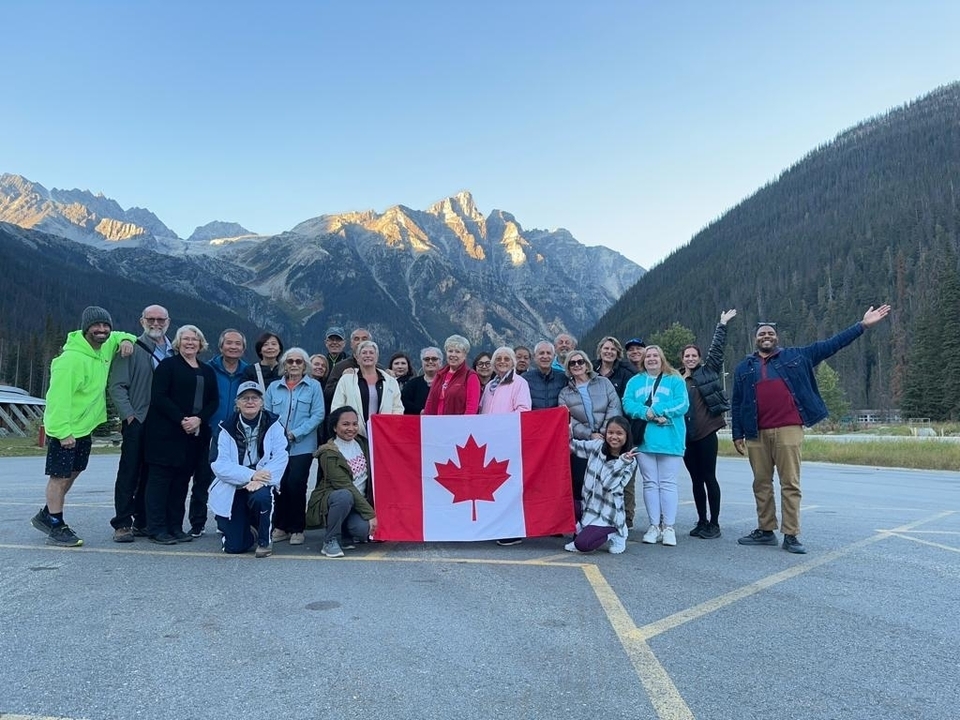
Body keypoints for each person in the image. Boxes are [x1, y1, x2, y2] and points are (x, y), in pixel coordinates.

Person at [732, 305, 891, 554]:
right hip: (756, 433)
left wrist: (862, 325)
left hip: (788, 429)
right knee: (761, 483)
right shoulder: (744, 368)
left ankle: (791, 535)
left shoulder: (798, 356)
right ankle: (765, 530)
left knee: (790, 484)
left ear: (777, 338)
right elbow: (738, 402)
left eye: (770, 333)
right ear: (756, 338)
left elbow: (833, 344)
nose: (766, 336)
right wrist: (737, 433)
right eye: (762, 333)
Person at [31, 306, 135, 547]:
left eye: (105, 325)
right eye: (96, 326)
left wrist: (127, 340)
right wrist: (62, 432)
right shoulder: (70, 360)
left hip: (84, 429)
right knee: (59, 477)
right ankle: (55, 525)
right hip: (66, 430)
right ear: (85, 328)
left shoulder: (105, 346)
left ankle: (47, 514)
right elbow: (57, 400)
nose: (102, 330)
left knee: (75, 471)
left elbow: (122, 335)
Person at [143, 325, 219, 545]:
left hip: (194, 436)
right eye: (185, 339)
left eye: (194, 339)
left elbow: (213, 400)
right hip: (165, 435)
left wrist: (199, 419)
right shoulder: (168, 366)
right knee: (160, 483)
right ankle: (156, 528)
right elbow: (159, 397)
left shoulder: (207, 370)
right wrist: (182, 419)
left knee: (180, 484)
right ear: (178, 342)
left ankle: (175, 526)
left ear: (201, 343)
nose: (190, 343)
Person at [107, 304, 173, 542]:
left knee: (152, 473)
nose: (156, 323)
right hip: (139, 419)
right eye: (151, 319)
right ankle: (122, 523)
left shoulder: (174, 351)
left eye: (160, 319)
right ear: (141, 321)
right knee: (129, 472)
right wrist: (129, 416)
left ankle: (144, 520)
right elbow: (117, 386)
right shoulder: (130, 348)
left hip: (164, 424)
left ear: (168, 322)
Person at [209, 381, 288, 557]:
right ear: (237, 403)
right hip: (234, 484)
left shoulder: (274, 424)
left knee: (262, 497)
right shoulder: (225, 428)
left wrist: (261, 480)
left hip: (262, 482)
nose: (250, 402)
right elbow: (218, 464)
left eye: (254, 398)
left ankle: (264, 541)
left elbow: (281, 456)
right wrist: (252, 476)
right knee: (233, 547)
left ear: (261, 402)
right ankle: (246, 530)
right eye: (245, 398)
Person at [623, 345, 689, 547]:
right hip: (644, 440)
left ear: (662, 358)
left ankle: (668, 527)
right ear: (643, 360)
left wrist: (658, 409)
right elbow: (627, 404)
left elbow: (682, 404)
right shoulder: (635, 381)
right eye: (648, 356)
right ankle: (654, 526)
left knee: (668, 483)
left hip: (671, 439)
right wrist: (646, 413)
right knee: (650, 484)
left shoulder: (675, 379)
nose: (651, 359)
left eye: (655, 355)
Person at [681, 309, 736, 540]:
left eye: (694, 355)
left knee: (709, 477)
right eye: (687, 356)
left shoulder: (708, 372)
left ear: (700, 358)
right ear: (682, 359)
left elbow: (717, 350)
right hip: (686, 438)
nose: (691, 359)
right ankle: (701, 520)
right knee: (695, 481)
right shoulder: (676, 380)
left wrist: (721, 324)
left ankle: (714, 523)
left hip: (706, 434)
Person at [190, 328, 249, 537]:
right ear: (221, 346)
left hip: (237, 435)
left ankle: (226, 520)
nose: (233, 347)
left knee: (232, 479)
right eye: (229, 343)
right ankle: (197, 523)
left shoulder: (248, 371)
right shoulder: (207, 369)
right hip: (209, 430)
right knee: (202, 478)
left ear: (243, 349)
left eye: (238, 344)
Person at [264, 347, 324, 546]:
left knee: (296, 484)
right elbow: (266, 413)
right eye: (290, 362)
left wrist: (295, 433)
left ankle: (297, 528)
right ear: (284, 365)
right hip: (277, 446)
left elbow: (318, 414)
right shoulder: (273, 388)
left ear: (305, 365)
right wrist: (278, 434)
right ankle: (280, 526)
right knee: (278, 485)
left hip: (303, 445)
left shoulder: (313, 386)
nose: (294, 365)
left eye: (299, 362)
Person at [558, 349, 623, 511]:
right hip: (582, 444)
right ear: (568, 368)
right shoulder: (564, 393)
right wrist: (589, 434)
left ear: (587, 365)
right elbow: (567, 420)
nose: (577, 365)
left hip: (606, 441)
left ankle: (606, 522)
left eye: (580, 361)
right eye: (572, 363)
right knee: (580, 483)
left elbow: (614, 407)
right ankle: (581, 523)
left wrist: (604, 433)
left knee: (605, 482)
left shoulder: (604, 383)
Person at [480, 346, 532, 546]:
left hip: (508, 440)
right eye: (498, 359)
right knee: (494, 486)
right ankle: (496, 525)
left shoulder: (519, 383)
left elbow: (523, 410)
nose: (502, 361)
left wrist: (502, 428)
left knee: (509, 485)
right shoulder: (491, 385)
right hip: (490, 442)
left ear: (513, 362)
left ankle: (512, 530)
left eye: (506, 358)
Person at [310, 406, 376, 558]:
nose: (351, 428)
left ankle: (345, 533)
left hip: (356, 503)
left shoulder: (363, 443)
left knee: (362, 531)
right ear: (334, 427)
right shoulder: (328, 453)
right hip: (332, 500)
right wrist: (371, 514)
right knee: (344, 495)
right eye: (345, 424)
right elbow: (345, 485)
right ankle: (329, 540)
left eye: (354, 424)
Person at [564, 417, 637, 554]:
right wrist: (568, 432)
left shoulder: (630, 462)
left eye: (619, 433)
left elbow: (608, 484)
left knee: (582, 544)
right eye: (610, 433)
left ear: (627, 435)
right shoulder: (597, 446)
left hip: (608, 515)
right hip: (588, 507)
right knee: (561, 502)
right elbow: (573, 446)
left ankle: (616, 532)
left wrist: (621, 463)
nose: (614, 437)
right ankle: (583, 528)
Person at [331, 340, 404, 436]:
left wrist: (390, 426)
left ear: (376, 357)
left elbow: (397, 408)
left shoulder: (391, 382)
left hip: (384, 433)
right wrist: (345, 426)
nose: (368, 355)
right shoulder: (346, 380)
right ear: (357, 358)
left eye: (371, 353)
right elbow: (337, 407)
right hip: (353, 434)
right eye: (364, 353)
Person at [423, 335, 481, 415]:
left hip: (457, 425)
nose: (453, 355)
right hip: (436, 424)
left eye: (457, 352)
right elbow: (430, 401)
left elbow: (472, 407)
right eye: (450, 351)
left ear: (464, 355)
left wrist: (465, 425)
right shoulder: (440, 374)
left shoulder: (471, 376)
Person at [325, 327, 373, 397]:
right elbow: (327, 395)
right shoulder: (339, 367)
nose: (360, 342)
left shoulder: (378, 369)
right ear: (351, 344)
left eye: (364, 339)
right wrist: (342, 380)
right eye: (356, 339)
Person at [523, 341, 567, 410]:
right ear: (534, 357)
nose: (545, 356)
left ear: (554, 356)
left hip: (557, 420)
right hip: (533, 419)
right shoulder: (525, 379)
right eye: (541, 353)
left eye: (548, 353)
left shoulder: (563, 377)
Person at [401, 346, 442, 415]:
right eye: (426, 359)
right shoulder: (412, 384)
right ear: (422, 362)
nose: (430, 361)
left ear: (440, 362)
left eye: (434, 359)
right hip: (417, 422)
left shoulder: (447, 383)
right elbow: (404, 402)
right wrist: (420, 411)